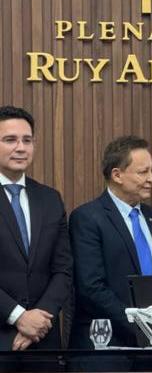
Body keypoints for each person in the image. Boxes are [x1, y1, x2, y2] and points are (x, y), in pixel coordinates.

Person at [69, 135, 152, 348]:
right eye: (143, 172)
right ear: (117, 175)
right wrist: (140, 325)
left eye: (151, 171)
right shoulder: (87, 218)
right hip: (107, 344)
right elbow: (91, 288)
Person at [0, 106, 72, 351]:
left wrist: (39, 320)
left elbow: (63, 269)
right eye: (10, 140)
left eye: (27, 140)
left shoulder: (50, 199)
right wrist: (19, 317)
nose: (21, 147)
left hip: (44, 338)